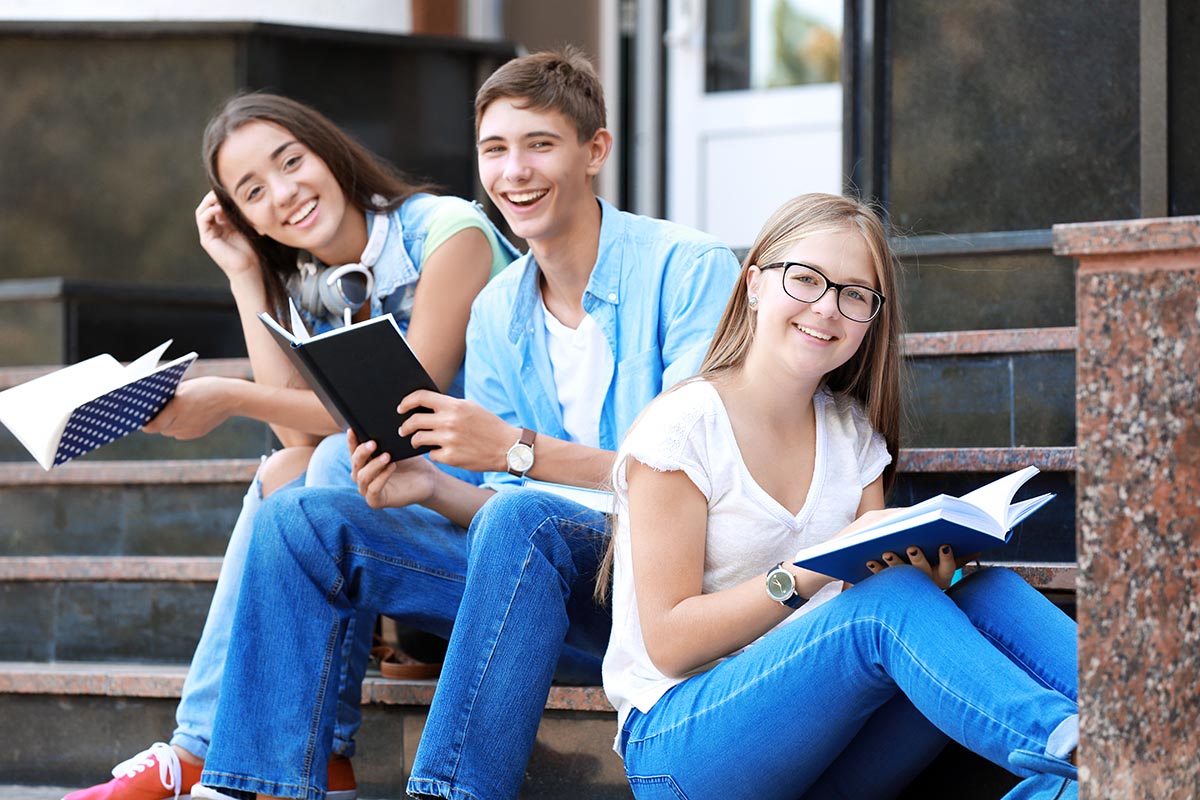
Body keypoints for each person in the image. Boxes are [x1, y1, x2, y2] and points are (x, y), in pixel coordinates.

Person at [189, 49, 740, 800]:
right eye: (494, 150)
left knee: (524, 514)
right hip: (537, 594)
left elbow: (700, 480)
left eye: (539, 145)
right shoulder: (499, 311)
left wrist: (517, 451)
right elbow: (497, 521)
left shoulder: (689, 270)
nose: (515, 171)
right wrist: (426, 486)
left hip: (662, 593)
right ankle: (252, 787)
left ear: (595, 151)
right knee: (303, 517)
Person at [64, 92, 516, 800]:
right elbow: (296, 436)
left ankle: (264, 752)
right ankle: (228, 751)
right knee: (286, 468)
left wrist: (231, 395)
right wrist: (246, 274)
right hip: (397, 532)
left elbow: (398, 415)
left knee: (336, 459)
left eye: (291, 161)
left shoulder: (448, 231)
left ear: (328, 150)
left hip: (497, 523)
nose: (284, 193)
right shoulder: (308, 283)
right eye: (252, 192)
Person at [600, 192, 1079, 799]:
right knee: (891, 602)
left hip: (824, 743)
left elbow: (862, 597)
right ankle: (1082, 744)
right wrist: (803, 574)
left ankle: (1136, 724)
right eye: (805, 280)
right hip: (683, 748)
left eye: (854, 294)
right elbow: (669, 644)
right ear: (753, 286)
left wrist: (927, 573)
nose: (827, 308)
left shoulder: (851, 433)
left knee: (984, 590)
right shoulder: (682, 428)